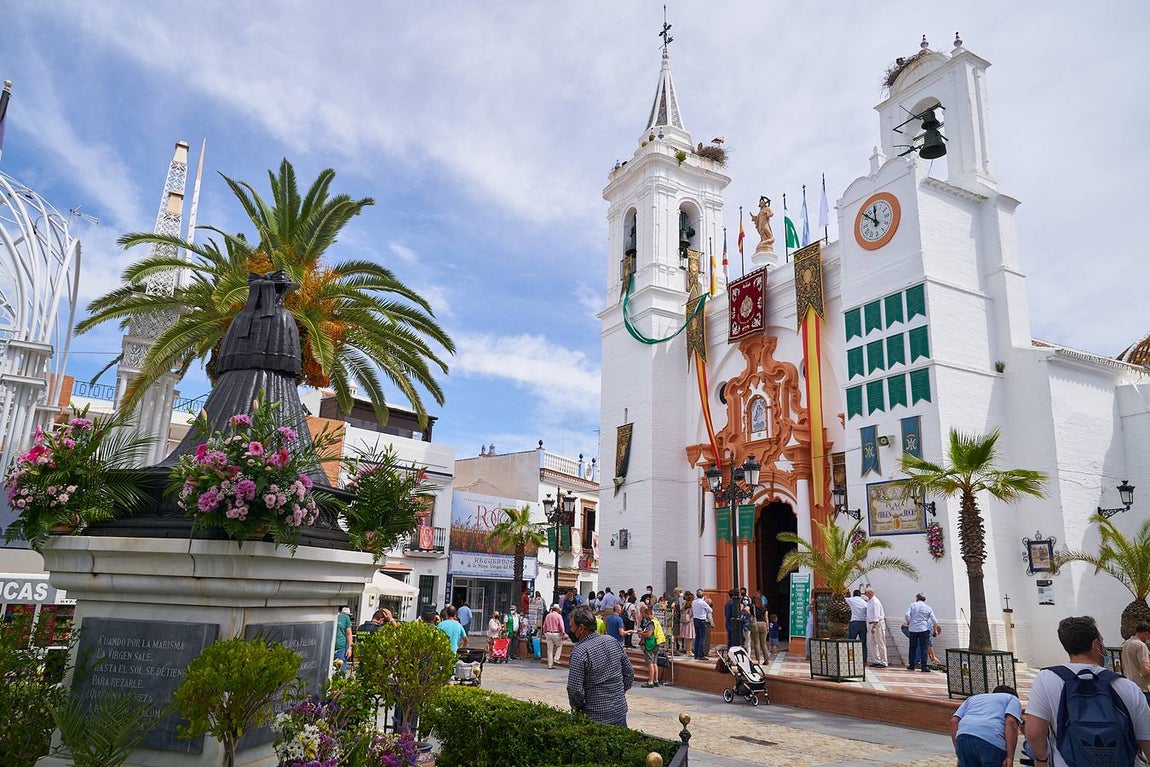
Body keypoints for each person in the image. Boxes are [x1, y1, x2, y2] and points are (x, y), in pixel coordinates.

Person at [1025, 615, 1150, 767]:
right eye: (1102, 641)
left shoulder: (1046, 679)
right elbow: (1147, 739)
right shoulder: (1127, 687)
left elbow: (1034, 732)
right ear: (1096, 645)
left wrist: (1041, 760)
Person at [566, 605, 633, 726]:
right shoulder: (612, 641)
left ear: (581, 628)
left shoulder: (580, 652)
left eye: (571, 627)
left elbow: (574, 690)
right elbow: (629, 673)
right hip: (619, 711)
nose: (570, 631)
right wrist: (619, 693)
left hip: (594, 716)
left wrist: (579, 708)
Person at [949, 685, 1022, 767]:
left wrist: (960, 752)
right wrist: (1010, 757)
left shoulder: (973, 698)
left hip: (964, 737)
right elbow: (1011, 722)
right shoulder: (1012, 699)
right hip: (991, 742)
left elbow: (954, 721)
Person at [905, 593, 938, 672]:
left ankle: (912, 665)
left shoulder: (912, 605)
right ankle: (924, 666)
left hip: (913, 629)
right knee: (924, 648)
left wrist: (910, 622)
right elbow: (934, 621)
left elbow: (907, 615)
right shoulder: (928, 608)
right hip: (923, 629)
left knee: (912, 647)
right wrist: (935, 630)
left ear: (917, 598)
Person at [1121, 622, 1150, 706]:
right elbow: (1145, 671)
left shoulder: (1126, 644)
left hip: (1131, 687)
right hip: (1143, 688)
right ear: (1146, 633)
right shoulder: (1141, 646)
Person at [637, 603, 660, 688]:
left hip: (650, 644)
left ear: (648, 614)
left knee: (650, 663)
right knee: (654, 663)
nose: (644, 617)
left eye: (645, 615)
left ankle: (650, 682)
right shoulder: (656, 621)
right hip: (656, 643)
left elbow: (649, 634)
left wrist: (642, 634)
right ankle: (656, 680)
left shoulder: (651, 623)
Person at [866, 587, 888, 668]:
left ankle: (884, 661)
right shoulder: (870, 601)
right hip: (871, 623)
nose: (865, 594)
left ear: (870, 593)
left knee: (880, 643)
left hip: (877, 624)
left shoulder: (875, 602)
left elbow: (876, 615)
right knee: (872, 643)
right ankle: (876, 660)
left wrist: (874, 627)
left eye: (866, 593)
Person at [847, 588, 869, 664]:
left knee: (851, 641)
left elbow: (842, 599)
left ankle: (850, 657)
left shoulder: (851, 600)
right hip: (863, 623)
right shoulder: (865, 603)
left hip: (854, 623)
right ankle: (864, 659)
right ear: (860, 595)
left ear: (854, 594)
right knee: (863, 642)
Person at [542, 603, 566, 669]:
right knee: (559, 645)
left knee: (549, 650)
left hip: (548, 633)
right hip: (556, 633)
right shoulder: (559, 616)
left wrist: (544, 632)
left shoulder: (548, 615)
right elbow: (561, 626)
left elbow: (544, 625)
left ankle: (550, 665)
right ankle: (556, 658)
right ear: (558, 610)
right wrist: (563, 633)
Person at [691, 588, 713, 660]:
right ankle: (701, 654)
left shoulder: (694, 602)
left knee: (697, 637)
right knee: (702, 638)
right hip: (702, 620)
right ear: (702, 595)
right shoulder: (703, 603)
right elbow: (710, 610)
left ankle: (696, 654)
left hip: (695, 619)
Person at [748, 590, 769, 664]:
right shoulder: (764, 607)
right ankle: (766, 660)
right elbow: (766, 617)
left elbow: (746, 610)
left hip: (756, 624)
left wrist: (751, 615)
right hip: (763, 624)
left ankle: (758, 660)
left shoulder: (752, 606)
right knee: (763, 643)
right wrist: (768, 626)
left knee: (757, 643)